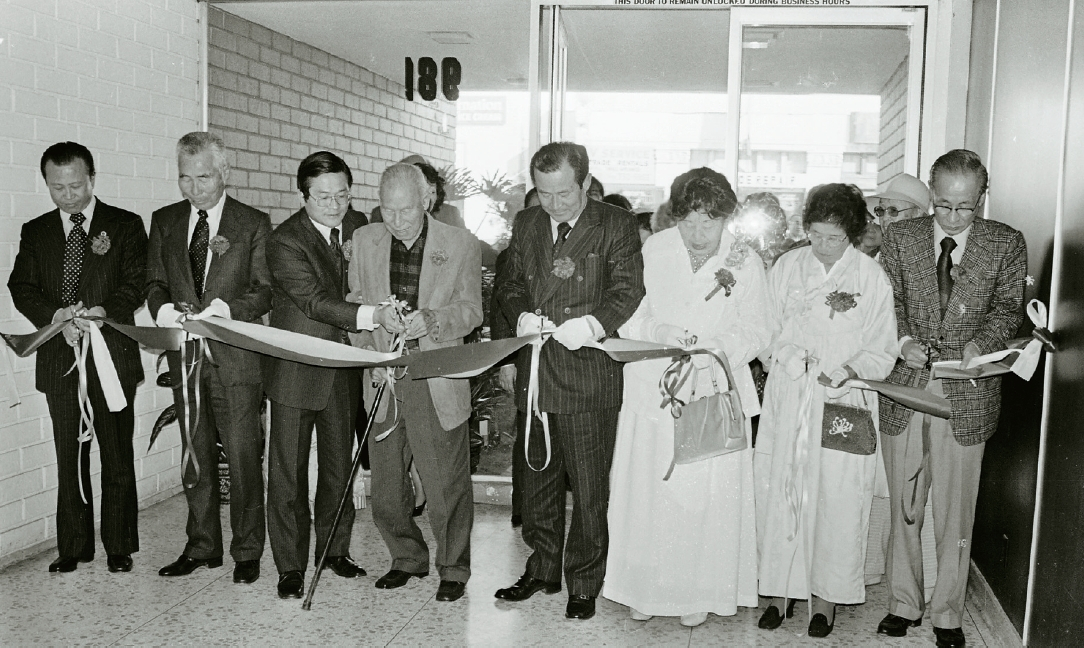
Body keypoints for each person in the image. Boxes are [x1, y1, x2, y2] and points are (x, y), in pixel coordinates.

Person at [604, 168, 769, 627]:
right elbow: (630, 310)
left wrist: (716, 351)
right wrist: (656, 330)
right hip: (653, 381)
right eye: (688, 223)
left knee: (703, 496)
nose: (697, 235)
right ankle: (646, 589)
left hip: (712, 387)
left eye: (709, 224)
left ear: (725, 219)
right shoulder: (653, 249)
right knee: (651, 489)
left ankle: (699, 590)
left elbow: (759, 328)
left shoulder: (745, 261)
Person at [876, 150, 1026, 648]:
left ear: (982, 197)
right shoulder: (899, 238)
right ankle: (902, 603)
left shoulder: (1005, 242)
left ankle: (947, 614)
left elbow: (1009, 308)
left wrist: (982, 342)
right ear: (931, 195)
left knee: (956, 511)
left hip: (968, 390)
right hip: (906, 383)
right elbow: (888, 300)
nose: (954, 218)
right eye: (943, 206)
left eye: (966, 207)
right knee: (904, 501)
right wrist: (901, 341)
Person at [492, 142, 645, 621]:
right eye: (543, 194)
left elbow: (628, 289)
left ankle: (585, 580)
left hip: (588, 372)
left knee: (589, 484)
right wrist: (518, 315)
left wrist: (594, 325)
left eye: (563, 194)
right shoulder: (527, 223)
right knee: (537, 477)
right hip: (538, 366)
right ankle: (541, 568)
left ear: (585, 183)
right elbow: (511, 281)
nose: (553, 205)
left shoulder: (614, 224)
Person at [754, 183, 898, 638]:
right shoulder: (787, 266)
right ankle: (778, 591)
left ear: (852, 234)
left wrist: (850, 369)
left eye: (834, 238)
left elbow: (882, 346)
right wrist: (781, 353)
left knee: (836, 498)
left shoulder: (870, 277)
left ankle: (827, 598)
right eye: (815, 235)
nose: (823, 246)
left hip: (842, 400)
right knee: (782, 492)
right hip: (791, 394)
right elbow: (765, 327)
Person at [9, 142, 147, 574]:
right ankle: (73, 545)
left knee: (116, 451)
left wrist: (105, 312)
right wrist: (55, 317)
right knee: (69, 454)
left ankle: (120, 544)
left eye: (75, 185)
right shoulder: (36, 231)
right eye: (57, 187)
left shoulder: (124, 225)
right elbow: (21, 286)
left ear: (92, 177)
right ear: (47, 183)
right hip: (60, 355)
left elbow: (137, 281)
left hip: (111, 352)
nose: (67, 195)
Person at [347, 163, 482, 603]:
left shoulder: (459, 243)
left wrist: (434, 321)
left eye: (407, 209)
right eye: (388, 210)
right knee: (386, 485)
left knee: (444, 483)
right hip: (383, 376)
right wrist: (370, 335)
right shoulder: (365, 240)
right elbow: (352, 302)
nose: (398, 220)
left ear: (426, 201)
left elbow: (471, 310)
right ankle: (406, 557)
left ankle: (453, 568)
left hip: (433, 376)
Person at [146, 132, 272, 584]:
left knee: (242, 458)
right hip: (186, 358)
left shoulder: (252, 223)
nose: (194, 188)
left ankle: (247, 550)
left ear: (224, 172)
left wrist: (224, 312)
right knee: (194, 456)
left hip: (234, 360)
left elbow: (263, 289)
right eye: (185, 177)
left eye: (203, 177)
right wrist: (163, 310)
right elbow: (155, 281)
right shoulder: (164, 221)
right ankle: (202, 546)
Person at [263, 151, 369, 599]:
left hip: (343, 367)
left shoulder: (360, 227)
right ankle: (290, 565)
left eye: (342, 194)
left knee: (338, 467)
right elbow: (312, 300)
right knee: (287, 470)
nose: (335, 204)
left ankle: (335, 549)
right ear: (303, 194)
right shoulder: (285, 240)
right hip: (296, 368)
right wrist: (368, 315)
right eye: (324, 196)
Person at [369, 157, 465, 229]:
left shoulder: (450, 214)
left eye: (432, 192)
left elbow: (465, 245)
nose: (427, 198)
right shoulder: (382, 214)